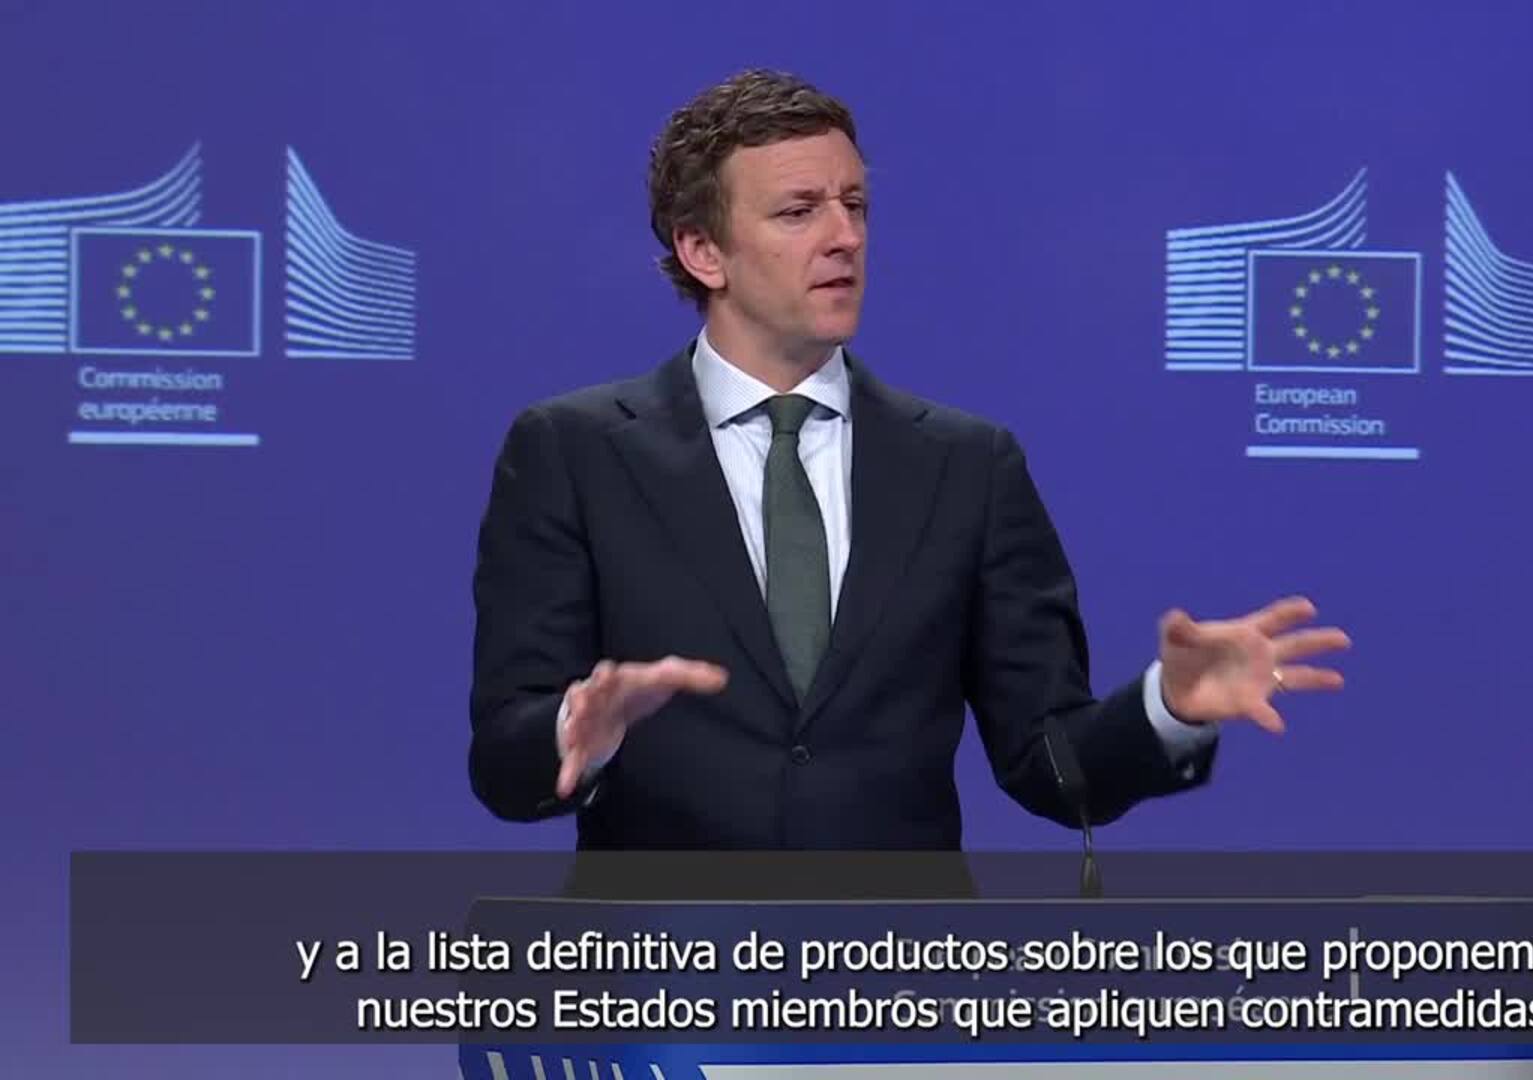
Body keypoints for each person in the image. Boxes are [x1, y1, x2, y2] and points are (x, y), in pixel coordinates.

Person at [468, 69, 1350, 850]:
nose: (844, 236)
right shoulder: (573, 452)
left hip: (897, 968)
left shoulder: (967, 467)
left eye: (854, 205)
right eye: (799, 211)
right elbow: (503, 762)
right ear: (703, 251)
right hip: (660, 967)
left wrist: (1169, 706)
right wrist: (577, 730)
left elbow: (1053, 765)